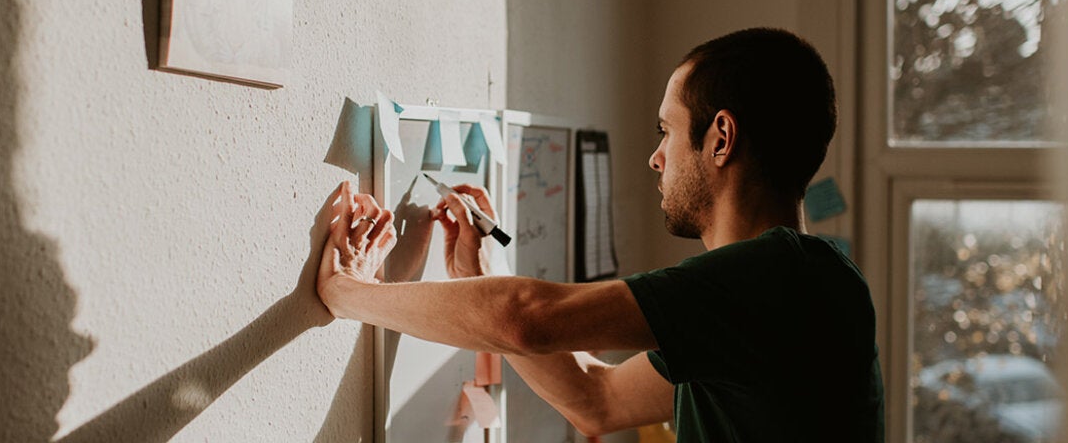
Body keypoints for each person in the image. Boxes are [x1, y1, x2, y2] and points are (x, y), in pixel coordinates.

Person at [315, 28, 884, 442]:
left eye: (667, 130)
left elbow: (527, 317)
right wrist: (479, 276)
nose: (656, 158)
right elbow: (596, 400)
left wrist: (347, 292)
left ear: (721, 138)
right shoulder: (765, 299)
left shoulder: (779, 279)